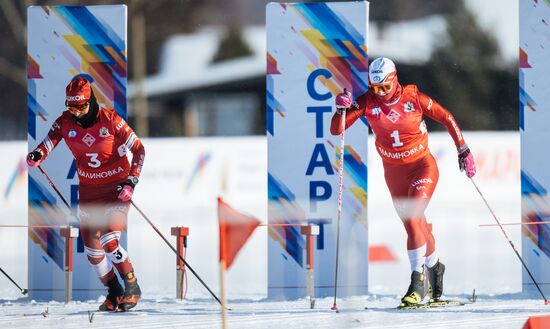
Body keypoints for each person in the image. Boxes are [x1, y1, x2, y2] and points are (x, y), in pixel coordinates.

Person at [330, 57, 476, 307]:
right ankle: (435, 266)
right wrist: (341, 109)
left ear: (394, 80)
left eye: (385, 87)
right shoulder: (367, 101)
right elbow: (336, 129)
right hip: (394, 172)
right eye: (376, 88)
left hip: (422, 166)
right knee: (415, 225)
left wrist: (462, 148)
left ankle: (417, 282)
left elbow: (446, 117)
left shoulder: (413, 98)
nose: (381, 93)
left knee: (413, 215)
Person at [27, 77, 145, 312]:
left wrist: (132, 180)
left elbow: (139, 150)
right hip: (90, 192)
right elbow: (50, 140)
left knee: (109, 239)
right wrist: (38, 154)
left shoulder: (110, 120)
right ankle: (114, 291)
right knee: (92, 250)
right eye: (71, 107)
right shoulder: (65, 121)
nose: (77, 112)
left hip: (116, 189)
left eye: (81, 106)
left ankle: (132, 285)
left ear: (90, 102)